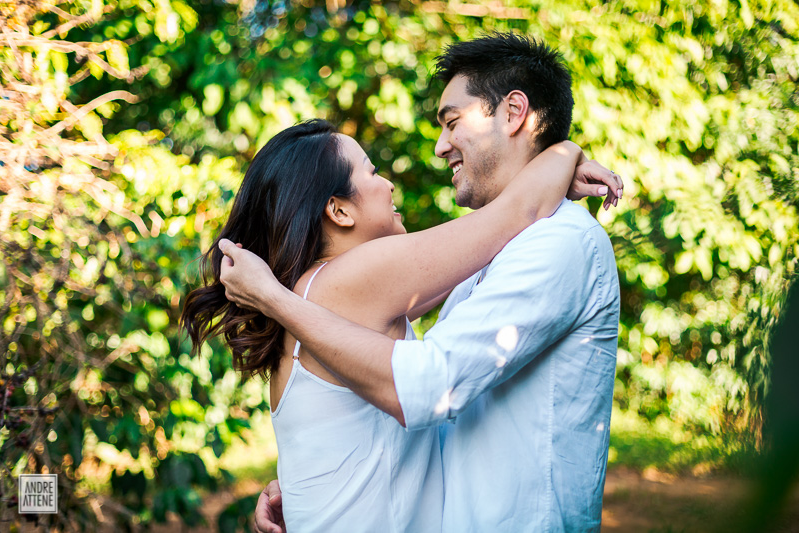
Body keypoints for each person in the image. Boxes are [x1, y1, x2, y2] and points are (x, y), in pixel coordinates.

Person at [220, 33, 622, 533]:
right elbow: (431, 384)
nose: (437, 147)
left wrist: (307, 486)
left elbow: (430, 387)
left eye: (452, 122)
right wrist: (562, 155)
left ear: (515, 113)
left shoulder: (558, 241)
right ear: (338, 209)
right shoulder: (353, 281)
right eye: (372, 172)